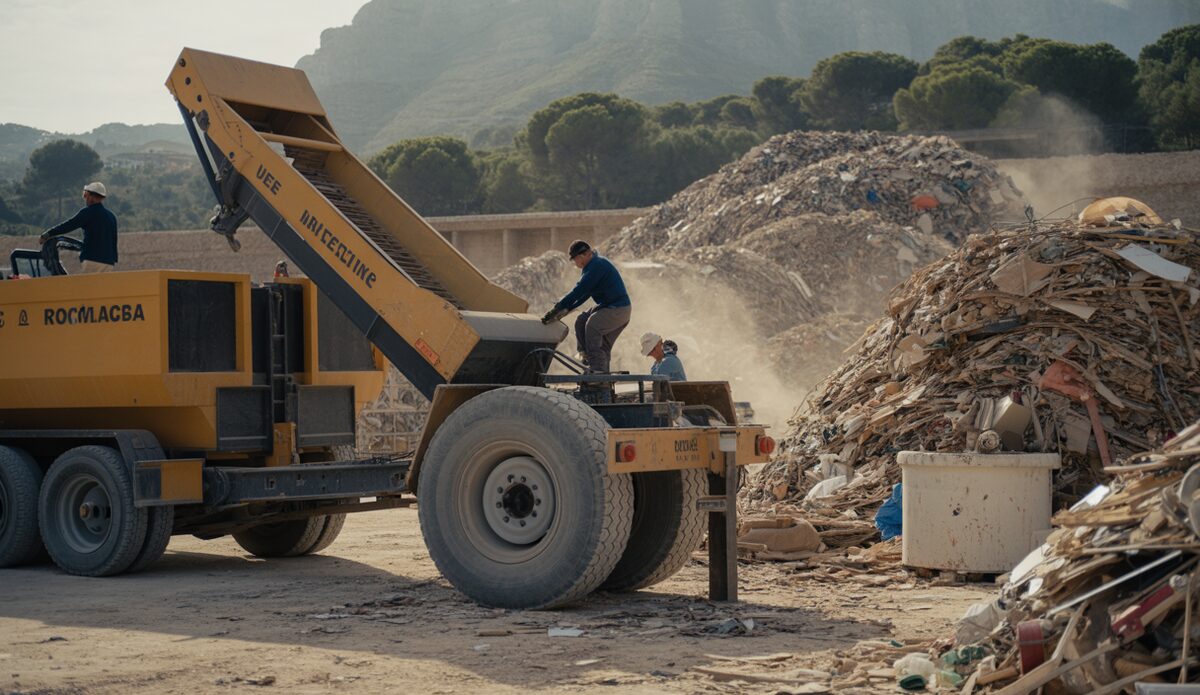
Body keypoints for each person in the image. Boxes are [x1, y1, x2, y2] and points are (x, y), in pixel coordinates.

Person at [542, 240, 631, 373]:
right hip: (610, 307)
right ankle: (587, 357)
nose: (575, 264)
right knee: (582, 320)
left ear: (582, 256)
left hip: (618, 309)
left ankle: (597, 372)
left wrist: (559, 307)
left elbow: (579, 290)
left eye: (575, 260)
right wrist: (566, 309)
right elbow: (584, 295)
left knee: (593, 326)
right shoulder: (592, 266)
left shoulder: (596, 266)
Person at [39, 182, 118, 273]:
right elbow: (114, 240)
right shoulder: (111, 216)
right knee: (103, 287)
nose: (86, 198)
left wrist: (48, 234)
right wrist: (113, 259)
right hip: (108, 262)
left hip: (91, 259)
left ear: (91, 196)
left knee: (88, 286)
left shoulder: (87, 212)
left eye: (86, 195)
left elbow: (69, 225)